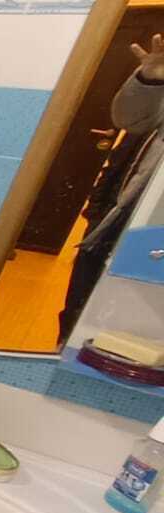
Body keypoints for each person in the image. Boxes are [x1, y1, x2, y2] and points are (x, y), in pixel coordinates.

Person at [61, 33, 164, 338]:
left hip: (153, 232)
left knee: (134, 324)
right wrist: (150, 80)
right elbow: (128, 119)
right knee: (78, 307)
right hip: (117, 217)